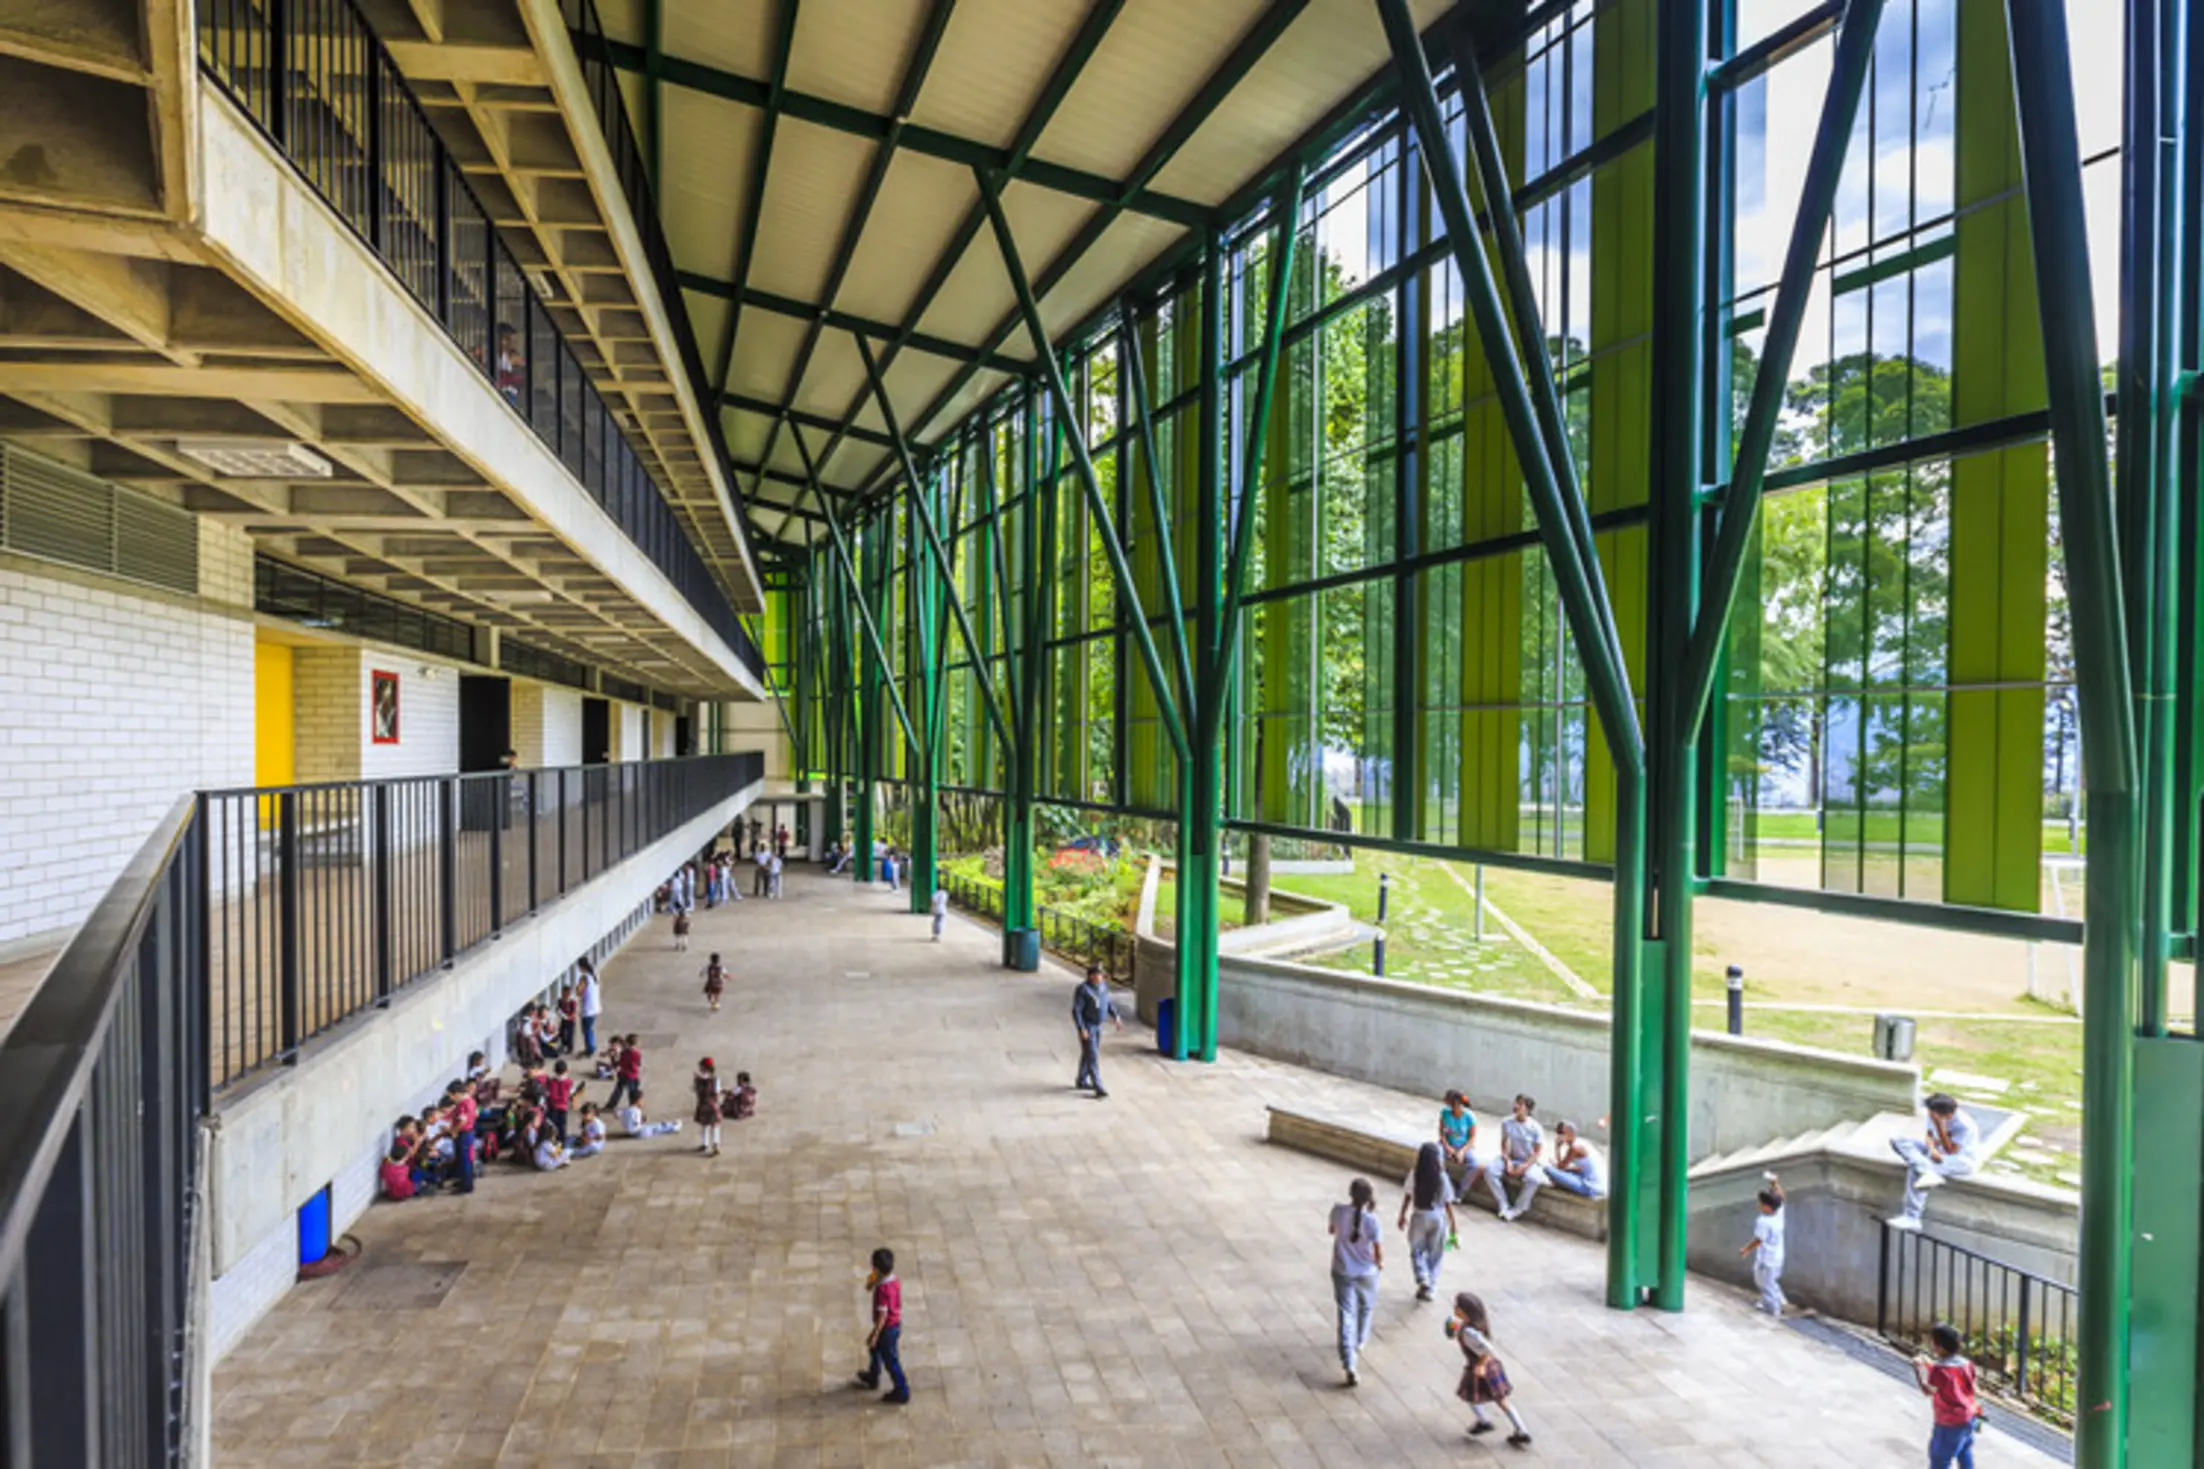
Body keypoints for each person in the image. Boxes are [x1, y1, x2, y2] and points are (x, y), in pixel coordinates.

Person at [1448, 1291, 1532, 1447]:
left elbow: (1486, 1349)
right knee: (1499, 1399)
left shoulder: (1469, 1332)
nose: (1454, 1308)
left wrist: (1480, 1365)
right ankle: (1520, 1430)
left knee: (1473, 1396)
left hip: (1482, 1367)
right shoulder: (1471, 1326)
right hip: (1489, 1367)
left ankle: (1487, 1422)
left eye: (1457, 1306)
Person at [1891, 1093, 1980, 1230]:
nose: (1930, 1115)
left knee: (1915, 1169)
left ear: (1945, 1114)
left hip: (1960, 1160)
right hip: (1936, 1154)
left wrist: (1940, 1126)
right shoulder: (1933, 1113)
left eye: (1933, 1114)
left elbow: (1951, 1150)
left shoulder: (1964, 1126)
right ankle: (1926, 1169)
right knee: (1898, 1141)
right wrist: (1932, 1150)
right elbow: (1929, 1135)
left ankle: (1912, 1217)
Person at [1328, 1178, 1384, 1386]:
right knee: (1366, 1307)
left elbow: (1332, 1231)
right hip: (1366, 1271)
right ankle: (1360, 1341)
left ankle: (1349, 1361)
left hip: (1342, 1268)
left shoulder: (1338, 1211)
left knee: (1345, 1312)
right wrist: (1380, 1264)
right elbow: (1378, 1249)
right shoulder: (1372, 1221)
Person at [1913, 1321, 1982, 1469]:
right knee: (1964, 1451)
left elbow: (1928, 1389)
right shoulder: (1967, 1364)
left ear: (1939, 1346)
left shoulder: (1940, 1370)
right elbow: (1970, 1386)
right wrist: (1930, 1364)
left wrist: (1919, 1368)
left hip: (1950, 1421)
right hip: (1969, 1416)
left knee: (1940, 1459)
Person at [1397, 1141, 1459, 1302]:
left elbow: (1407, 1196)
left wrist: (1402, 1215)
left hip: (1418, 1215)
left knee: (1416, 1250)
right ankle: (1430, 1287)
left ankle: (1422, 1276)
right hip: (1438, 1217)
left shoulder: (1415, 1174)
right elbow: (1447, 1203)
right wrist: (1453, 1225)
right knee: (1435, 1254)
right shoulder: (1442, 1177)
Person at [853, 1246, 910, 1404]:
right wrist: (872, 1280)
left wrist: (874, 1334)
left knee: (890, 1360)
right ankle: (873, 1376)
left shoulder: (883, 1290)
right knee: (875, 1350)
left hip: (887, 1329)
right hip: (894, 1324)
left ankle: (902, 1390)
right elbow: (868, 1286)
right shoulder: (893, 1280)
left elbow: (882, 1316)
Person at [1482, 1095, 1548, 1222]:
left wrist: (1524, 1166)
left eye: (1521, 1104)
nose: (1516, 1106)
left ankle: (1518, 1209)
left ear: (1527, 1109)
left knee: (1533, 1179)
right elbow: (1504, 1144)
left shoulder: (1535, 1128)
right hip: (1511, 1158)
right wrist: (1507, 1161)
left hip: (1529, 1161)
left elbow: (1537, 1152)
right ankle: (1503, 1204)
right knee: (1489, 1171)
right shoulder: (1507, 1122)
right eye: (1516, 1103)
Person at [1071, 966, 1123, 1098]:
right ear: (1091, 976)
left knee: (1089, 1053)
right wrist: (1081, 1028)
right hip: (1088, 1025)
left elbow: (1108, 1003)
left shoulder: (1103, 987)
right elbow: (1077, 1011)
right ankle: (1099, 1087)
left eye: (1101, 975)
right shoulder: (1083, 990)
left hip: (1098, 1025)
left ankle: (1081, 1080)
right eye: (1098, 975)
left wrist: (1115, 1016)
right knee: (1092, 1056)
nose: (1101, 977)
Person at [1740, 1173, 1787, 1317]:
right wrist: (1775, 1184)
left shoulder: (1763, 1222)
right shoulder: (1779, 1212)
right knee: (1771, 1280)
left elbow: (1758, 1239)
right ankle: (1779, 1301)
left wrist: (1745, 1249)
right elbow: (1781, 1197)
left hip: (1766, 1260)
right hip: (1778, 1257)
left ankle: (1773, 1309)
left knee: (1764, 1284)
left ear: (1767, 1207)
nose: (1759, 1205)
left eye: (1760, 1203)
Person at [1544, 1120, 1606, 1199]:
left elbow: (1560, 1167)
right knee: (1564, 1171)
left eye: (1561, 1132)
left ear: (1570, 1133)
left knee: (1548, 1169)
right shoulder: (1581, 1143)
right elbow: (1580, 1168)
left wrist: (1557, 1148)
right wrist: (1563, 1168)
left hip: (1590, 1188)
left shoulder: (1574, 1148)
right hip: (1594, 1183)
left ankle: (1562, 1185)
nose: (1559, 1136)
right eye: (1558, 1133)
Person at [1438, 1090, 1480, 1196]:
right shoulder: (1445, 1113)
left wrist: (1462, 1151)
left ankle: (1460, 1191)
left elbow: (1472, 1137)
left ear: (1455, 1103)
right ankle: (1445, 1186)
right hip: (1448, 1143)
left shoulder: (1469, 1117)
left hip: (1464, 1146)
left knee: (1474, 1164)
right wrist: (1448, 1147)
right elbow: (1442, 1133)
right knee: (1436, 1157)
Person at [444, 1079, 479, 1195]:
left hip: (464, 1133)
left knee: (465, 1160)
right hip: (468, 1132)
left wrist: (454, 1131)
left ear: (458, 1094)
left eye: (452, 1096)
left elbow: (462, 1121)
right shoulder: (471, 1101)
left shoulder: (463, 1104)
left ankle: (467, 1185)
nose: (452, 1099)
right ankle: (463, 1180)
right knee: (463, 1158)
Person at [543, 1059, 579, 1147]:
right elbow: (572, 1094)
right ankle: (562, 1142)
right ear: (567, 1070)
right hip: (563, 1108)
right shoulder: (569, 1082)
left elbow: (546, 1094)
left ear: (554, 1070)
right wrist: (574, 1104)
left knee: (552, 1126)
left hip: (552, 1107)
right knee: (562, 1126)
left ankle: (551, 1142)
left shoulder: (550, 1082)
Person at [617, 1092, 682, 1139]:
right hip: (639, 1132)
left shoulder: (626, 1110)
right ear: (637, 1101)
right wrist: (642, 1120)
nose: (643, 1102)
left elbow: (620, 1115)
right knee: (657, 1128)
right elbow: (636, 1124)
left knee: (655, 1126)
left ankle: (671, 1125)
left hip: (631, 1132)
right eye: (641, 1100)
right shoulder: (636, 1111)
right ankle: (673, 1127)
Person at [692, 1057, 723, 1156]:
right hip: (713, 1105)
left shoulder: (698, 1079)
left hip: (702, 1104)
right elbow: (717, 1093)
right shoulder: (715, 1079)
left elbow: (695, 1090)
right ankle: (716, 1144)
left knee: (704, 1124)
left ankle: (704, 1143)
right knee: (715, 1125)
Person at [608, 1034, 644, 1111]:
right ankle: (634, 1105)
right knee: (632, 1091)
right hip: (633, 1075)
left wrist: (613, 1057)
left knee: (618, 1090)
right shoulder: (637, 1053)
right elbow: (639, 1063)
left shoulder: (624, 1053)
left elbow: (620, 1063)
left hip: (624, 1074)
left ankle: (611, 1104)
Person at [577, 957, 602, 1056]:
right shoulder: (595, 975)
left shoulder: (584, 977)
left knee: (586, 1029)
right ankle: (591, 1046)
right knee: (589, 1028)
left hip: (588, 1008)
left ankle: (590, 1048)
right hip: (595, 1007)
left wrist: (578, 989)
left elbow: (579, 991)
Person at [556, 985, 579, 1056]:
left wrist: (569, 1017)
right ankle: (563, 1044)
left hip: (571, 1020)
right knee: (561, 1032)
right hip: (564, 1019)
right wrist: (561, 1014)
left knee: (570, 1034)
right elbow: (558, 1009)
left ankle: (570, 1048)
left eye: (566, 993)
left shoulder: (572, 1001)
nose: (564, 995)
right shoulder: (560, 1000)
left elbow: (574, 1011)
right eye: (563, 993)